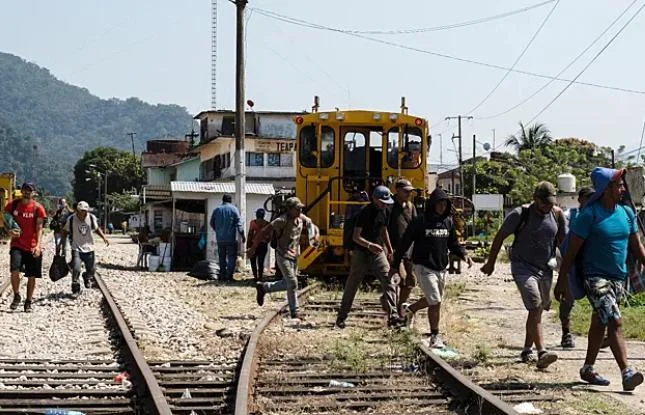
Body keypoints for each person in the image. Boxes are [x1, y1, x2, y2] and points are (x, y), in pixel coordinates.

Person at [556, 168, 645, 390]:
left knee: (600, 320)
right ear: (606, 189)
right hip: (594, 277)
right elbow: (571, 252)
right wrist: (561, 281)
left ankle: (587, 368)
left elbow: (638, 248)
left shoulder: (625, 213)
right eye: (618, 185)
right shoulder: (590, 214)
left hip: (618, 278)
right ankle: (626, 372)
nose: (622, 189)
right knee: (615, 320)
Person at [481, 182, 565, 369]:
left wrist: (567, 274)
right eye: (544, 203)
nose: (547, 207)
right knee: (535, 305)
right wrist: (491, 263)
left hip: (546, 269)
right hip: (522, 267)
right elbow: (500, 236)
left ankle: (527, 349)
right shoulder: (520, 214)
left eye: (550, 203)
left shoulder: (557, 215)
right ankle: (542, 352)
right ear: (535, 198)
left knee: (537, 310)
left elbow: (563, 243)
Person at [390, 187, 472, 348]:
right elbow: (404, 243)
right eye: (439, 204)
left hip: (441, 267)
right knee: (435, 301)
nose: (442, 207)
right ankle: (435, 336)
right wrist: (395, 265)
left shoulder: (447, 222)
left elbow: (453, 243)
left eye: (444, 204)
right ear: (432, 204)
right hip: (423, 266)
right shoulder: (420, 221)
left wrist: (464, 255)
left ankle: (410, 309)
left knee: (434, 300)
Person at [335, 186, 403, 329]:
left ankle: (394, 316)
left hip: (378, 252)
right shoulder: (364, 213)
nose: (385, 204)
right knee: (352, 284)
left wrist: (390, 249)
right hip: (361, 252)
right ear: (374, 199)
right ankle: (341, 317)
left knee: (388, 280)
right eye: (382, 201)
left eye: (386, 202)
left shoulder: (384, 211)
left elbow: (383, 230)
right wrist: (370, 245)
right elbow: (356, 237)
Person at [249, 197, 316, 319]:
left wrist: (314, 236)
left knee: (287, 283)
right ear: (289, 209)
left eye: (301, 208)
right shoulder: (282, 220)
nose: (300, 211)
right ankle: (295, 312)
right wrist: (253, 247)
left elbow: (311, 223)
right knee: (292, 282)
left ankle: (263, 287)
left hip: (295, 255)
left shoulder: (301, 218)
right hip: (283, 255)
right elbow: (264, 231)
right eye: (297, 209)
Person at [558, 187, 594, 349]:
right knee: (567, 300)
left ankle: (603, 334)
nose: (590, 200)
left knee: (600, 301)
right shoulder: (568, 216)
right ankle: (566, 333)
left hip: (591, 264)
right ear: (580, 199)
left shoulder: (597, 215)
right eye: (587, 197)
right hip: (571, 263)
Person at [5, 182, 47, 312]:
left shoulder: (38, 208)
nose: (27, 192)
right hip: (17, 245)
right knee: (14, 270)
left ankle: (28, 301)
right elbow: (7, 221)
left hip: (32, 246)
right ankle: (17, 295)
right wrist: (8, 231)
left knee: (32, 275)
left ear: (34, 193)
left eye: (30, 190)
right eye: (25, 190)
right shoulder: (13, 205)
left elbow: (40, 227)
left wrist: (38, 246)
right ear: (21, 191)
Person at [61, 201, 109, 295]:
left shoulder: (91, 218)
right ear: (77, 211)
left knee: (92, 269)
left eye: (85, 211)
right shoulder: (71, 219)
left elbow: (96, 229)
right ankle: (75, 288)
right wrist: (62, 245)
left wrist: (104, 237)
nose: (84, 213)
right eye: (82, 211)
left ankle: (86, 276)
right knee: (76, 268)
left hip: (89, 248)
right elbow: (64, 231)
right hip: (76, 248)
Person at [387, 179, 418, 318]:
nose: (408, 194)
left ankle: (400, 308)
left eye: (410, 191)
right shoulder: (389, 206)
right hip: (394, 250)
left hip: (409, 250)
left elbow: (415, 226)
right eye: (405, 191)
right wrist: (388, 249)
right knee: (402, 279)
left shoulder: (411, 207)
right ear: (397, 191)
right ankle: (395, 309)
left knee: (411, 281)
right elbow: (383, 229)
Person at [210, 194, 245, 281]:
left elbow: (211, 223)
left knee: (222, 257)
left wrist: (217, 230)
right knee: (231, 257)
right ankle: (229, 276)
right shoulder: (234, 209)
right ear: (230, 200)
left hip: (220, 239)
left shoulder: (217, 210)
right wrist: (243, 235)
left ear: (222, 200)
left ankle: (222, 276)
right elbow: (239, 224)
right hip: (230, 238)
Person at [247, 208, 270, 281]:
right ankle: (260, 277)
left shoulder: (253, 222)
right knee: (261, 261)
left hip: (254, 244)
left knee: (253, 261)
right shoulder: (267, 223)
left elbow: (250, 234)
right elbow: (269, 236)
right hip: (263, 245)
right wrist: (266, 241)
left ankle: (255, 277)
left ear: (256, 215)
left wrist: (248, 245)